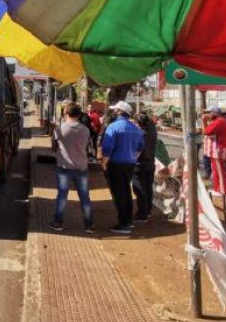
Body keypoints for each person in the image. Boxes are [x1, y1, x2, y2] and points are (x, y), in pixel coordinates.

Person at [49, 103, 94, 233]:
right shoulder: (85, 130)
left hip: (64, 167)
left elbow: (53, 147)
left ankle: (58, 222)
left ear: (66, 113)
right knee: (84, 196)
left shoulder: (59, 129)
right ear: (79, 115)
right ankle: (89, 225)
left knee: (62, 196)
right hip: (82, 167)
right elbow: (87, 146)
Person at [100, 100, 144, 234]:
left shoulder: (113, 127)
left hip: (115, 164)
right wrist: (133, 158)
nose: (114, 111)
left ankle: (123, 223)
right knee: (126, 191)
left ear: (120, 112)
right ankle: (128, 220)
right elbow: (140, 147)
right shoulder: (136, 128)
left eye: (115, 109)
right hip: (130, 163)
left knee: (119, 194)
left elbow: (107, 148)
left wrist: (103, 163)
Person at [133, 112, 158, 223]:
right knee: (148, 187)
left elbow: (137, 150)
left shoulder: (139, 134)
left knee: (140, 189)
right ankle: (147, 211)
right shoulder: (152, 131)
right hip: (150, 163)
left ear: (138, 123)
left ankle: (142, 214)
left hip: (140, 163)